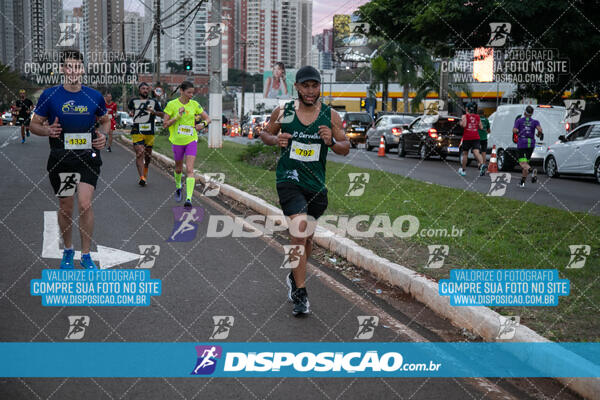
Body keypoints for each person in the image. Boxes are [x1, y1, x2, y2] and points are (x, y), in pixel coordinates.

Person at [260, 66, 349, 316]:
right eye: (305, 86)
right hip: (289, 179)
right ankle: (301, 293)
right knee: (299, 231)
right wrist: (275, 140)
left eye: (314, 86)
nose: (310, 91)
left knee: (307, 239)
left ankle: (293, 275)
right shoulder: (284, 112)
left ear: (319, 87)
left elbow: (345, 147)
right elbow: (265, 134)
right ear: (297, 87)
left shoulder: (330, 116)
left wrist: (331, 141)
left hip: (316, 185)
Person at [29, 49, 107, 270]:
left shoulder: (94, 96)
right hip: (62, 159)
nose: (73, 70)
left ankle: (86, 254)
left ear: (83, 69)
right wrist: (48, 131)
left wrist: (104, 136)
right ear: (63, 69)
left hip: (87, 158)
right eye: (69, 66)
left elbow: (105, 120)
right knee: (66, 206)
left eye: (77, 66)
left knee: (84, 203)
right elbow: (34, 124)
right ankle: (68, 249)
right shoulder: (50, 96)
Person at [163, 81, 210, 208]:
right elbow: (165, 124)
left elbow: (208, 118)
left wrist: (202, 124)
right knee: (178, 168)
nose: (191, 95)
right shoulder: (172, 105)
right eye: (188, 92)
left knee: (190, 169)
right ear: (181, 91)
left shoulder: (195, 104)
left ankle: (189, 198)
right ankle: (178, 186)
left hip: (191, 140)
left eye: (192, 93)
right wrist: (177, 116)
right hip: (177, 141)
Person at [128, 82, 165, 186]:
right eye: (143, 88)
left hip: (149, 132)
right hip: (137, 131)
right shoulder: (133, 101)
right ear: (139, 90)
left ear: (149, 91)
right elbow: (130, 110)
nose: (145, 90)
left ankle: (145, 172)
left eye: (147, 89)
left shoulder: (153, 101)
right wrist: (131, 113)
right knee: (140, 152)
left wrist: (154, 112)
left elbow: (162, 114)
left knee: (148, 156)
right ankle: (142, 178)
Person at [513, 105, 543, 187]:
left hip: (522, 143)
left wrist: (518, 130)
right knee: (526, 163)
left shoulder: (519, 120)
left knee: (522, 163)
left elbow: (514, 130)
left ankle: (532, 171)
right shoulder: (535, 121)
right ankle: (522, 182)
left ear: (524, 112)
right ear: (532, 113)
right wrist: (538, 134)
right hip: (531, 144)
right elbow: (540, 130)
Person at [458, 102, 487, 177]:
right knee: (476, 152)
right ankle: (482, 164)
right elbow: (481, 127)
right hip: (476, 136)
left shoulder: (464, 116)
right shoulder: (477, 116)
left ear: (467, 109)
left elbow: (464, 125)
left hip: (467, 137)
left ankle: (463, 170)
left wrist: (460, 123)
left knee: (465, 154)